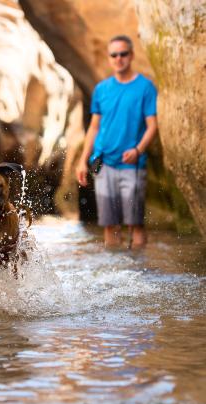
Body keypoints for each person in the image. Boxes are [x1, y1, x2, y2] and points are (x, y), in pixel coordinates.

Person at [76, 35, 158, 248]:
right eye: (114, 55)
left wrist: (138, 150)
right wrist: (82, 160)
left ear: (131, 55)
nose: (118, 58)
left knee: (135, 224)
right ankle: (116, 273)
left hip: (132, 164)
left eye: (123, 54)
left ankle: (137, 272)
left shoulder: (145, 87)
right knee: (109, 224)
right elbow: (94, 127)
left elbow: (152, 126)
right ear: (109, 58)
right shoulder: (101, 89)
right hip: (103, 163)